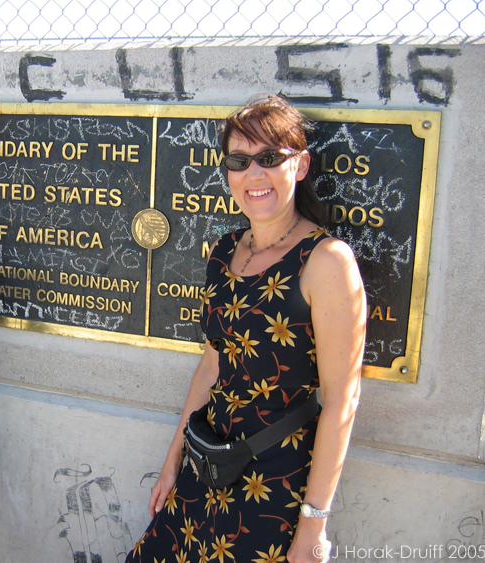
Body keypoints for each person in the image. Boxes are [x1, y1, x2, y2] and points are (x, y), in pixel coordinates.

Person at [125, 94, 366, 563]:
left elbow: (342, 400)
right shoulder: (224, 250)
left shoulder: (327, 261)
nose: (254, 174)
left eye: (270, 159)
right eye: (239, 161)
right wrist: (172, 461)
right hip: (206, 467)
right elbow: (212, 365)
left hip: (272, 486)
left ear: (299, 166)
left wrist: (313, 526)